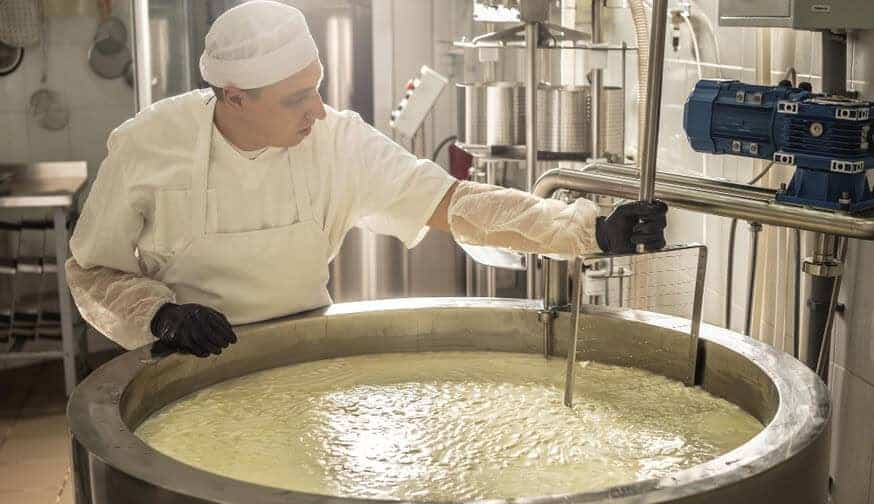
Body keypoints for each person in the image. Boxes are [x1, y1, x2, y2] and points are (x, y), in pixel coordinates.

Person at [66, 0, 668, 359]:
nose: (317, 110)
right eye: (296, 98)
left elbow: (458, 204)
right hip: (184, 370)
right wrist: (161, 316)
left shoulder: (336, 140)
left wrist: (587, 228)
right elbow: (92, 271)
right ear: (234, 97)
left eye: (317, 87)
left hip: (303, 362)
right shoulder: (148, 145)